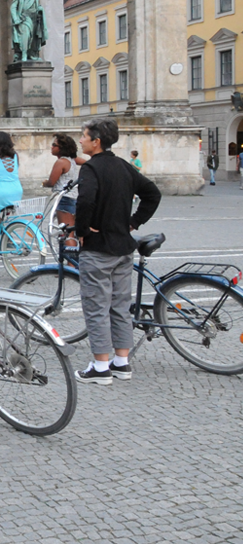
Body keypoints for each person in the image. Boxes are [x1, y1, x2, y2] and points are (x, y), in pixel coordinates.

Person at [74, 118, 161, 384]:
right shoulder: (124, 166)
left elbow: (85, 199)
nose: (81, 140)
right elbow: (153, 194)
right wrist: (133, 222)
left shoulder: (91, 169)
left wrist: (82, 231)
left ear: (96, 141)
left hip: (99, 249)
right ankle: (121, 362)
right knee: (120, 306)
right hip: (123, 248)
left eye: (84, 136)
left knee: (96, 306)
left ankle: (101, 366)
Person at [43, 133, 80, 246]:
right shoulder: (73, 160)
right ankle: (72, 261)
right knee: (71, 232)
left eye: (54, 145)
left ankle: (71, 263)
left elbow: (51, 182)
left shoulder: (61, 162)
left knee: (67, 234)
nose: (52, 147)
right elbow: (87, 162)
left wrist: (44, 183)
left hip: (64, 199)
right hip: (74, 198)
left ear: (61, 148)